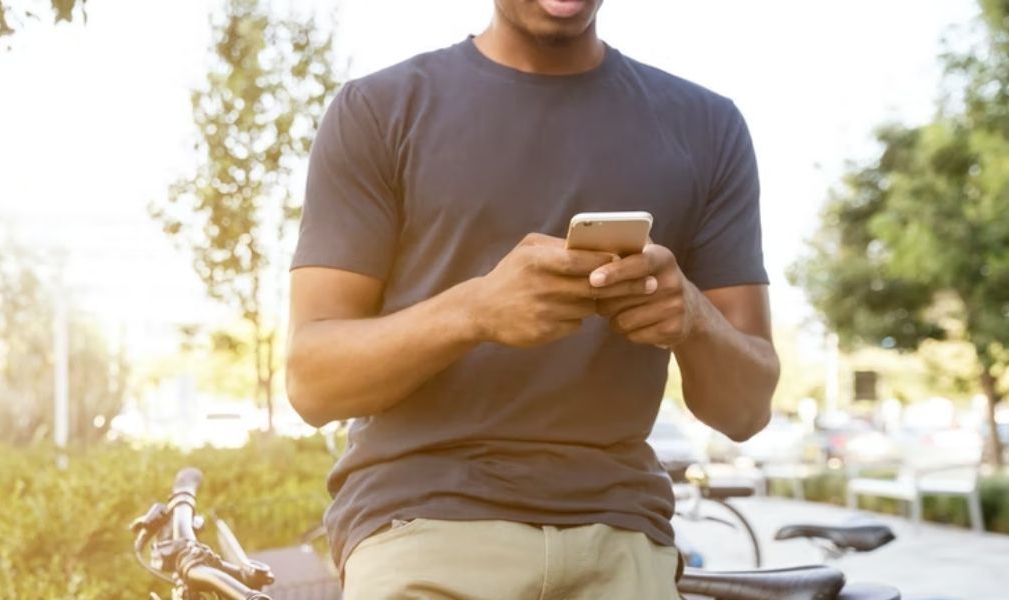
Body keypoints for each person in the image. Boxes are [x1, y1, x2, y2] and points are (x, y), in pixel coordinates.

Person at [286, 0, 779, 597]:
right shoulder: (378, 110)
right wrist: (475, 312)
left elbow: (747, 412)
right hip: (424, 524)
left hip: (620, 538)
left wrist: (693, 318)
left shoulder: (707, 126)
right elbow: (312, 383)